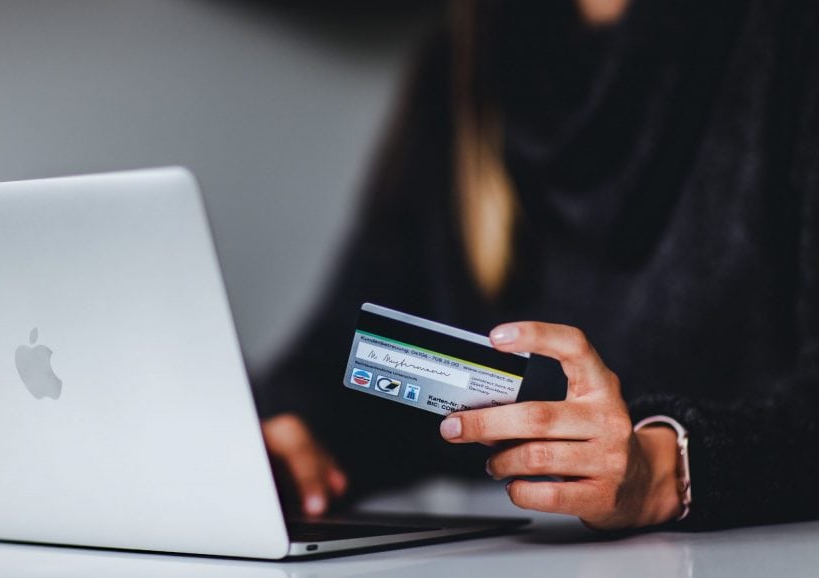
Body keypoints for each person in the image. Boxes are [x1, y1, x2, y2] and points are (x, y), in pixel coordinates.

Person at [255, 0, 819, 530]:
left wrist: (663, 469)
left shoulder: (788, 33)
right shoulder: (467, 56)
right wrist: (294, 433)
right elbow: (342, 353)